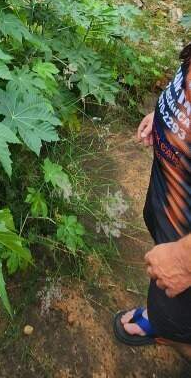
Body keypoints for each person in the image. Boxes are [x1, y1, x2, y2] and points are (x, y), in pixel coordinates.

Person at [114, 43, 191, 356]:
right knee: (164, 302)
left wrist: (185, 260)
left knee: (181, 328)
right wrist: (164, 115)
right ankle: (159, 319)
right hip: (171, 210)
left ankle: (171, 333)